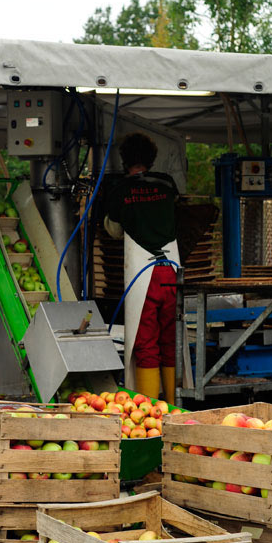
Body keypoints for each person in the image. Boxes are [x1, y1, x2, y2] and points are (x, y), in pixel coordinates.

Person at [104, 132, 180, 404]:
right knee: (170, 340)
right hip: (172, 270)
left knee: (146, 343)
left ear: (124, 161)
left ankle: (150, 411)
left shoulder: (120, 190)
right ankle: (172, 403)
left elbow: (113, 230)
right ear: (151, 158)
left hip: (142, 273)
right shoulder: (167, 183)